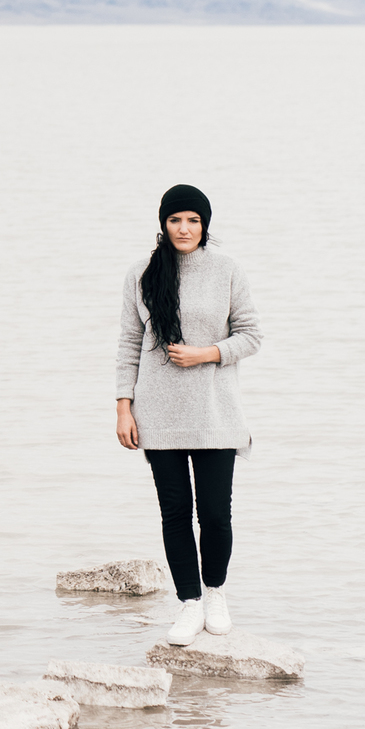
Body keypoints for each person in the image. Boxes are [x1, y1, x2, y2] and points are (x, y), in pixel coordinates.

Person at [114, 183, 263, 645]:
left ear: (205, 225)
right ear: (163, 223)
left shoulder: (227, 270)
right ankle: (189, 602)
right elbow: (128, 344)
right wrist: (124, 407)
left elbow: (251, 335)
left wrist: (207, 354)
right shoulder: (141, 273)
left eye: (193, 220)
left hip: (216, 413)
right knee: (175, 513)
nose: (184, 228)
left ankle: (215, 593)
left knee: (216, 514)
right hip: (158, 413)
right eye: (176, 219)